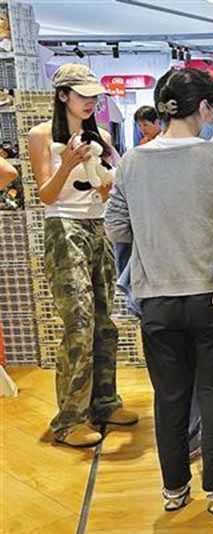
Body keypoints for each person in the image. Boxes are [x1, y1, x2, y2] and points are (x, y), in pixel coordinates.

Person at [107, 68, 213, 514]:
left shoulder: (132, 162)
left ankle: (174, 490)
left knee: (169, 397)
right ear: (203, 108)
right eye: (212, 106)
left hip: (156, 298)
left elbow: (115, 225)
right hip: (211, 297)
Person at [26, 63, 138, 448]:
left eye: (93, 95)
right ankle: (70, 418)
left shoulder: (101, 135)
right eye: (82, 94)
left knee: (105, 320)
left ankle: (104, 401)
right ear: (62, 96)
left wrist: (105, 184)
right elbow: (45, 195)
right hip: (64, 228)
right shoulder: (41, 135)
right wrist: (69, 164)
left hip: (98, 225)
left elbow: (107, 190)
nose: (89, 102)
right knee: (79, 322)